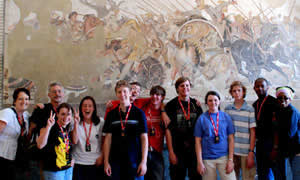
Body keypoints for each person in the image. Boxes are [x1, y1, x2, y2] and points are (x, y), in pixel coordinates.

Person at [103, 80, 148, 180]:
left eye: (125, 91)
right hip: (115, 163)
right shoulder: (111, 114)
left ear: (130, 92)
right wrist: (106, 162)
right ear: (116, 94)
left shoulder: (139, 113)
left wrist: (144, 162)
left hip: (135, 162)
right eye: (119, 92)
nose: (122, 94)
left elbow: (144, 138)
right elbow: (108, 139)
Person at [165, 77, 203, 180]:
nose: (185, 88)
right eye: (182, 86)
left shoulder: (196, 104)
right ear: (177, 88)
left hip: (194, 150)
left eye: (187, 85)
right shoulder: (170, 105)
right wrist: (171, 152)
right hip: (177, 150)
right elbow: (168, 131)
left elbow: (201, 128)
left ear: (190, 87)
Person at [194, 91, 235, 180]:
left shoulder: (226, 117)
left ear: (219, 101)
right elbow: (197, 142)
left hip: (224, 157)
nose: (213, 103)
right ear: (206, 103)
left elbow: (231, 139)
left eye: (215, 100)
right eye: (210, 100)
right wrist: (199, 162)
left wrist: (231, 160)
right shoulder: (201, 119)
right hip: (207, 159)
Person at [28, 82, 65, 179]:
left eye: (59, 91)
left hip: (62, 157)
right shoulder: (41, 109)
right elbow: (31, 129)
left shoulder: (67, 111)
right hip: (44, 157)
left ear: (63, 94)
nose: (57, 94)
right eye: (54, 92)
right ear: (49, 95)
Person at [37, 103, 79, 180]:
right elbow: (40, 145)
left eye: (68, 114)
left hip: (67, 168)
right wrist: (48, 127)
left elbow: (75, 141)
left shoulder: (66, 128)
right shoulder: (50, 127)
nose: (66, 117)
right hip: (54, 171)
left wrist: (76, 123)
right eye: (63, 114)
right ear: (57, 114)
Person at [252, 78, 283, 179]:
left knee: (278, 174)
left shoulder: (275, 103)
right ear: (254, 88)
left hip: (273, 144)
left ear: (267, 87)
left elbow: (278, 128)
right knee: (262, 174)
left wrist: (275, 147)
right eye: (257, 86)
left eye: (262, 86)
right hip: (260, 145)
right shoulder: (254, 105)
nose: (260, 88)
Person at [224, 81, 256, 180]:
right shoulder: (228, 109)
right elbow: (226, 131)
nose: (237, 93)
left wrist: (251, 152)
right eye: (234, 91)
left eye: (239, 90)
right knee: (233, 177)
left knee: (248, 177)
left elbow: (253, 132)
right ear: (231, 93)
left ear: (243, 92)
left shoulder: (249, 109)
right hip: (232, 152)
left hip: (246, 151)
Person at [0, 88, 30, 180]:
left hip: (15, 156)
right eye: (20, 99)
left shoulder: (26, 115)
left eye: (27, 99)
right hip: (2, 155)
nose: (24, 101)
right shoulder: (7, 113)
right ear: (14, 101)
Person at [72, 96, 105, 180]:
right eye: (85, 106)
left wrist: (102, 157)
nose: (87, 108)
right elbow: (74, 141)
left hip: (96, 162)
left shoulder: (100, 122)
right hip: (78, 162)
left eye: (90, 106)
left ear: (94, 108)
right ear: (81, 108)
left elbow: (105, 142)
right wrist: (76, 124)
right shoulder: (75, 122)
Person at [141, 85, 166, 180]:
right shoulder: (143, 108)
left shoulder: (165, 111)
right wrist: (112, 103)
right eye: (152, 94)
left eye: (158, 95)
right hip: (143, 151)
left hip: (158, 152)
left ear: (162, 97)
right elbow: (128, 100)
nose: (154, 97)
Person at [276, 86, 300, 180]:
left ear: (290, 99)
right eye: (280, 98)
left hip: (295, 151)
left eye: (285, 98)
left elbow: (290, 133)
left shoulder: (292, 111)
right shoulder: (280, 111)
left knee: (295, 176)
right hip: (286, 151)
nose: (283, 100)